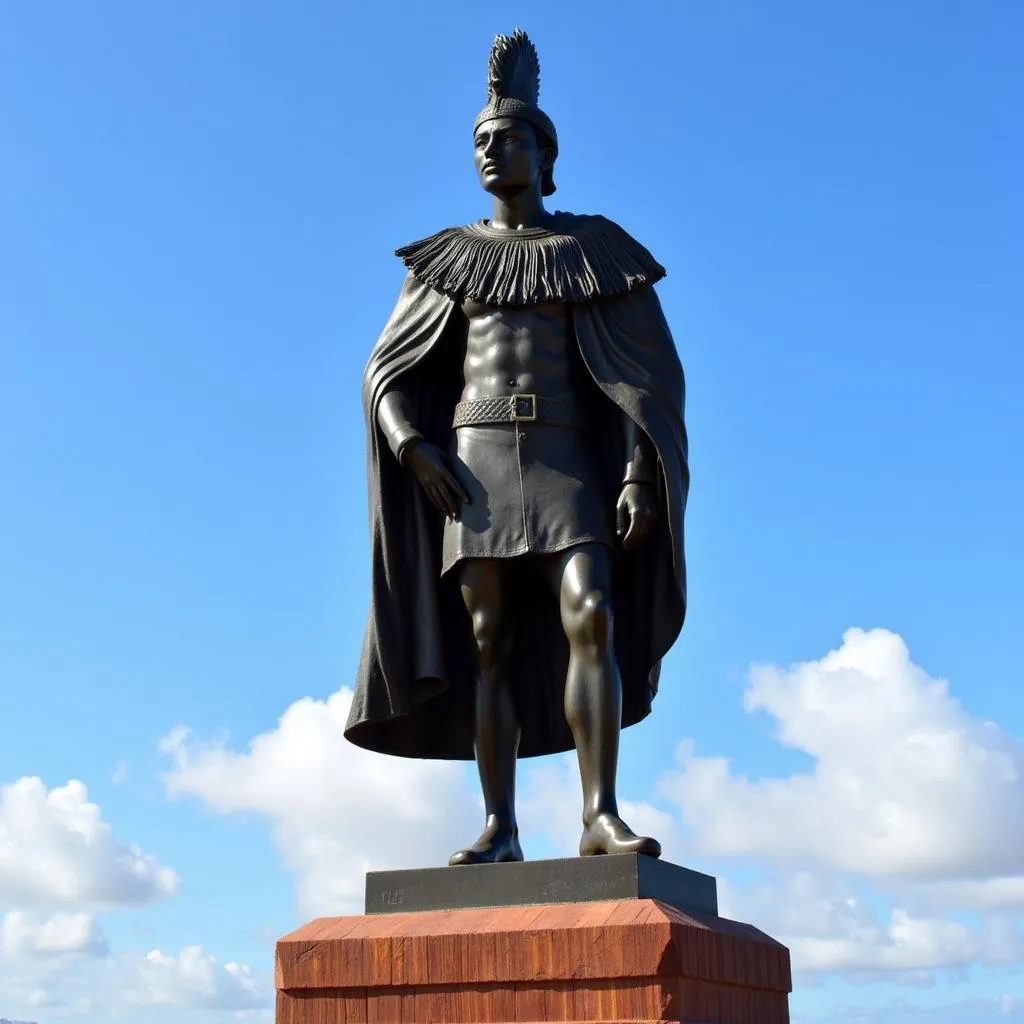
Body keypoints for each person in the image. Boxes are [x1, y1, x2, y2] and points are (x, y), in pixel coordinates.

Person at [345, 29, 689, 866]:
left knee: (594, 616)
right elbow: (384, 371)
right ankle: (500, 827)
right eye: (480, 142)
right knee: (488, 645)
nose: (492, 152)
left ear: (546, 153)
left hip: (571, 457)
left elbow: (650, 379)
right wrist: (412, 447)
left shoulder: (593, 249)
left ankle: (599, 815)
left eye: (509, 138)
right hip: (474, 466)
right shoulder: (441, 263)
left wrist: (642, 470)